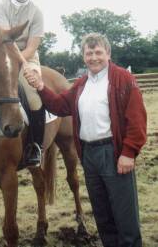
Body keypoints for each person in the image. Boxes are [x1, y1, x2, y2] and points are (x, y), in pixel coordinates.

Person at [24, 32, 147, 247]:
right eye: (89, 53)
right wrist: (41, 87)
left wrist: (129, 153)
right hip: (89, 155)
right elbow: (60, 106)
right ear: (83, 57)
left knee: (125, 216)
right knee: (102, 215)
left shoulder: (123, 79)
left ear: (108, 53)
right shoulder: (81, 84)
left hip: (114, 153)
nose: (93, 57)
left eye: (98, 52)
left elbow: (137, 119)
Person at [0, 0, 44, 167]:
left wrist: (23, 65)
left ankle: (35, 147)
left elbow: (32, 46)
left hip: (28, 59)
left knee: (34, 99)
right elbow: (7, 40)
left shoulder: (37, 12)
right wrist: (12, 62)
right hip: (3, 55)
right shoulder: (0, 7)